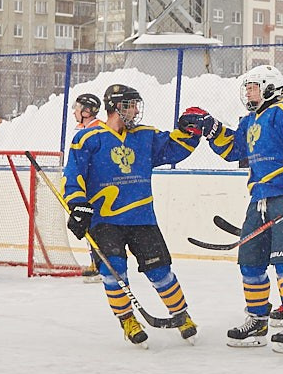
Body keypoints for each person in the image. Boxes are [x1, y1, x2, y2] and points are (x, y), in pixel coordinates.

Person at [193, 66, 283, 352]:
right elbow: (235, 150)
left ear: (268, 86)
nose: (248, 93)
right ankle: (257, 319)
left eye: (252, 87)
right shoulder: (250, 120)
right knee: (250, 262)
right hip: (259, 198)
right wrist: (212, 129)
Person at [63, 83, 202, 347]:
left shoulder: (145, 136)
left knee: (161, 271)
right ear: (117, 106)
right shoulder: (87, 139)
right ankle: (127, 318)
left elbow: (174, 148)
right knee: (115, 272)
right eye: (131, 104)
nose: (136, 110)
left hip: (142, 218)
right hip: (105, 222)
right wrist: (78, 205)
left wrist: (192, 132)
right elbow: (73, 177)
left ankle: (181, 314)